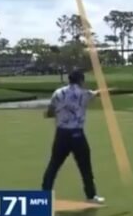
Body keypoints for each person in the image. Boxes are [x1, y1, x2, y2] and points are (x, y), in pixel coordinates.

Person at [40, 70, 105, 204]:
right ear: (81, 80)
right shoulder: (84, 93)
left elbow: (50, 111)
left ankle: (43, 197)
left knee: (53, 165)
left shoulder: (58, 93)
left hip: (61, 134)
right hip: (77, 135)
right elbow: (95, 94)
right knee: (85, 167)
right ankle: (91, 196)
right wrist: (102, 91)